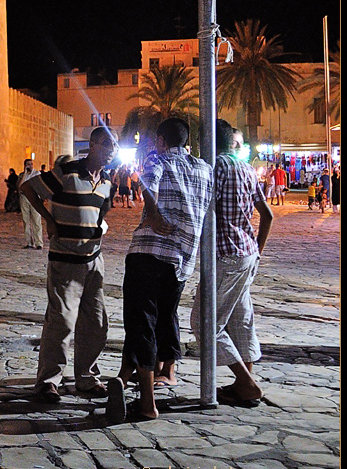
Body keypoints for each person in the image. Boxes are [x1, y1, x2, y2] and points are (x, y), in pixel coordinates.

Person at [106, 118, 213, 423]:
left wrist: (152, 215)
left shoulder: (159, 160)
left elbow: (146, 184)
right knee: (158, 319)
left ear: (162, 141)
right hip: (181, 262)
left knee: (141, 321)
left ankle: (147, 402)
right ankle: (124, 379)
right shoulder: (204, 170)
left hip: (148, 253)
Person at [21, 128, 116, 403]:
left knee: (96, 322)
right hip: (65, 261)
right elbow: (28, 188)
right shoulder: (67, 172)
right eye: (109, 145)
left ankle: (87, 378)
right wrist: (48, 218)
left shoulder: (108, 182)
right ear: (95, 145)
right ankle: (49, 381)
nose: (112, 151)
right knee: (61, 320)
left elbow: (100, 212)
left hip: (94, 261)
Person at [190, 121, 273, 407]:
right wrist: (256, 251)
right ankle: (242, 384)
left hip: (225, 256)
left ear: (209, 142)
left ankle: (248, 385)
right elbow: (268, 215)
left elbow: (202, 208)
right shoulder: (247, 169)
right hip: (247, 253)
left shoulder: (214, 169)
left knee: (204, 323)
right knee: (241, 321)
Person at [17, 159, 43, 249]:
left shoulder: (37, 174)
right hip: (24, 198)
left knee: (36, 221)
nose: (30, 166)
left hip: (34, 198)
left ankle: (39, 243)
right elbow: (19, 187)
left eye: (31, 164)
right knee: (26, 220)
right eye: (28, 164)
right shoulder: (21, 175)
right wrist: (25, 174)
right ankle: (29, 242)